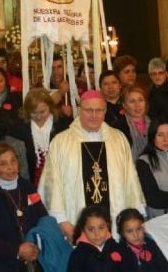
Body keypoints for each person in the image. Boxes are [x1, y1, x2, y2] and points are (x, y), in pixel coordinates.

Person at [39, 90, 146, 241]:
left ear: (105, 111)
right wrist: (62, 222)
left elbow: (130, 179)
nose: (94, 115)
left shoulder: (118, 139)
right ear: (79, 110)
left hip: (114, 222)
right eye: (89, 110)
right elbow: (52, 184)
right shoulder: (61, 142)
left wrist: (134, 215)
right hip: (74, 223)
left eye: (99, 110)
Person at [0, 143, 48, 272]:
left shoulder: (27, 187)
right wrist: (17, 250)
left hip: (31, 263)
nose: (10, 167)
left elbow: (42, 218)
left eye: (13, 161)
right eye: (3, 164)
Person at [12, 89, 71, 187]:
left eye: (42, 112)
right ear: (27, 111)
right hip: (30, 180)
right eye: (34, 113)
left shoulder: (62, 125)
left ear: (50, 107)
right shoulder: (20, 128)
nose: (39, 117)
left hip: (59, 179)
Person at [135, 120, 168, 218]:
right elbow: (153, 198)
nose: (166, 139)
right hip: (161, 219)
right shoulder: (144, 162)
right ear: (153, 138)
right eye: (160, 135)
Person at [66, 205, 121, 272]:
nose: (97, 234)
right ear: (83, 230)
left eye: (101, 228)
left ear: (107, 226)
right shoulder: (77, 255)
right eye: (91, 229)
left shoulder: (117, 248)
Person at [110, 86, 152, 161]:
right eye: (132, 101)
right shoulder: (117, 127)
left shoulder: (155, 124)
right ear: (124, 105)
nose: (137, 105)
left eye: (140, 100)